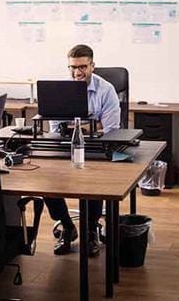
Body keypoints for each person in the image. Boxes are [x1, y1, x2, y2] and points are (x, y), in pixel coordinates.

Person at [45, 44, 121, 256]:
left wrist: (77, 127)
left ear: (92, 66)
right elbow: (55, 129)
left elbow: (111, 128)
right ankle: (68, 226)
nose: (77, 72)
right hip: (65, 147)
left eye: (82, 67)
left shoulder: (106, 90)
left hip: (97, 147)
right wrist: (90, 125)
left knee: (92, 180)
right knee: (45, 179)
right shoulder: (59, 91)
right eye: (72, 67)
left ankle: (90, 231)